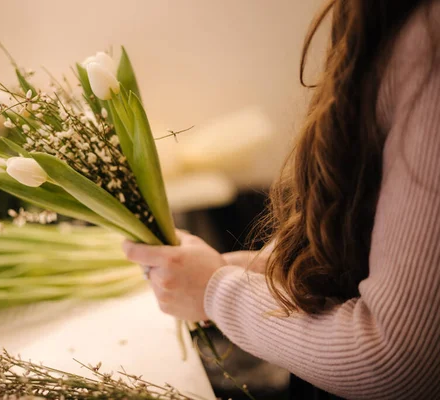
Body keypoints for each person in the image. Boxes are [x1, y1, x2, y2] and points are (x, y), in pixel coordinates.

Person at [122, 0, 440, 399]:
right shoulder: (388, 21)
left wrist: (214, 291)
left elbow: (400, 364)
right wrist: (265, 268)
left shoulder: (431, 42)